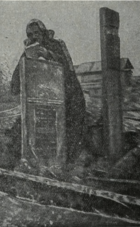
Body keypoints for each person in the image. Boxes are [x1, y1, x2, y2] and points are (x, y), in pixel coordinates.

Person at [11, 19, 86, 163]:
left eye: (36, 33)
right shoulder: (28, 51)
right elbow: (15, 85)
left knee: (69, 131)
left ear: (44, 33)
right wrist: (27, 58)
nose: (33, 37)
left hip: (67, 97)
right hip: (42, 101)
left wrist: (49, 55)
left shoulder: (57, 44)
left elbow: (69, 69)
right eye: (29, 34)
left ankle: (66, 164)